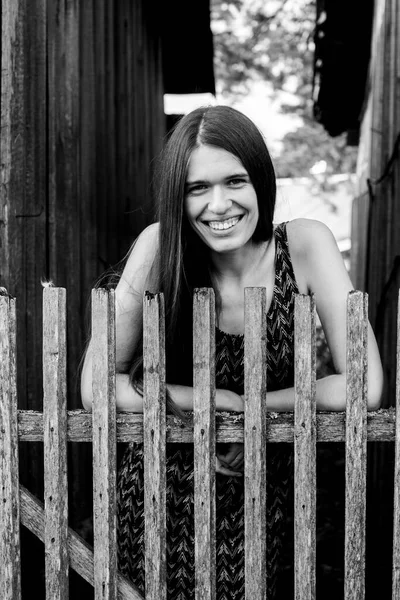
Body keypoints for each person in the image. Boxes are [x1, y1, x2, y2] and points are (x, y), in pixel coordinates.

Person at [80, 105, 383, 599]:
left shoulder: (304, 245)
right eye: (197, 188)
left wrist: (255, 405)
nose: (218, 205)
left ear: (260, 179)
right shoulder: (160, 248)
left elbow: (363, 385)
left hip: (264, 497)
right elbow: (98, 386)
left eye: (234, 181)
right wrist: (211, 396)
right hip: (157, 498)